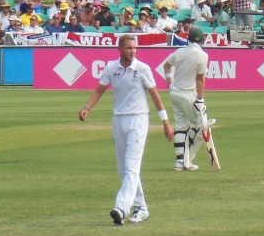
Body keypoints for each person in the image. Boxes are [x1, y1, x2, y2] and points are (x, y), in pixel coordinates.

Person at [78, 34, 174, 225]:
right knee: (124, 170)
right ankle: (141, 208)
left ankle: (121, 209)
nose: (133, 51)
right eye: (129, 48)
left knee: (131, 167)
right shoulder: (111, 68)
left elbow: (155, 96)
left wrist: (165, 122)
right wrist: (87, 108)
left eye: (135, 48)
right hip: (119, 120)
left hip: (138, 120)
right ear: (120, 49)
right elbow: (99, 90)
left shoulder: (142, 69)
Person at [162, 27, 209, 171]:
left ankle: (180, 161)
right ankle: (188, 157)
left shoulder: (179, 52)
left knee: (181, 126)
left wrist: (170, 84)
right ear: (201, 41)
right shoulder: (202, 55)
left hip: (175, 94)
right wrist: (200, 100)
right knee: (201, 126)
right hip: (188, 94)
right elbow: (200, 80)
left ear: (188, 40)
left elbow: (166, 66)